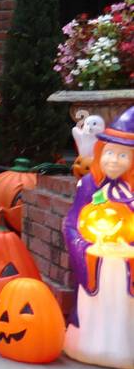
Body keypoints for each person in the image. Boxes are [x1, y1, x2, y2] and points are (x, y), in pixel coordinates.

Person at [65, 105, 134, 292]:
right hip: (97, 261)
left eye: (122, 155)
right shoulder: (89, 185)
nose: (113, 160)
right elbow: (73, 222)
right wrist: (84, 246)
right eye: (109, 153)